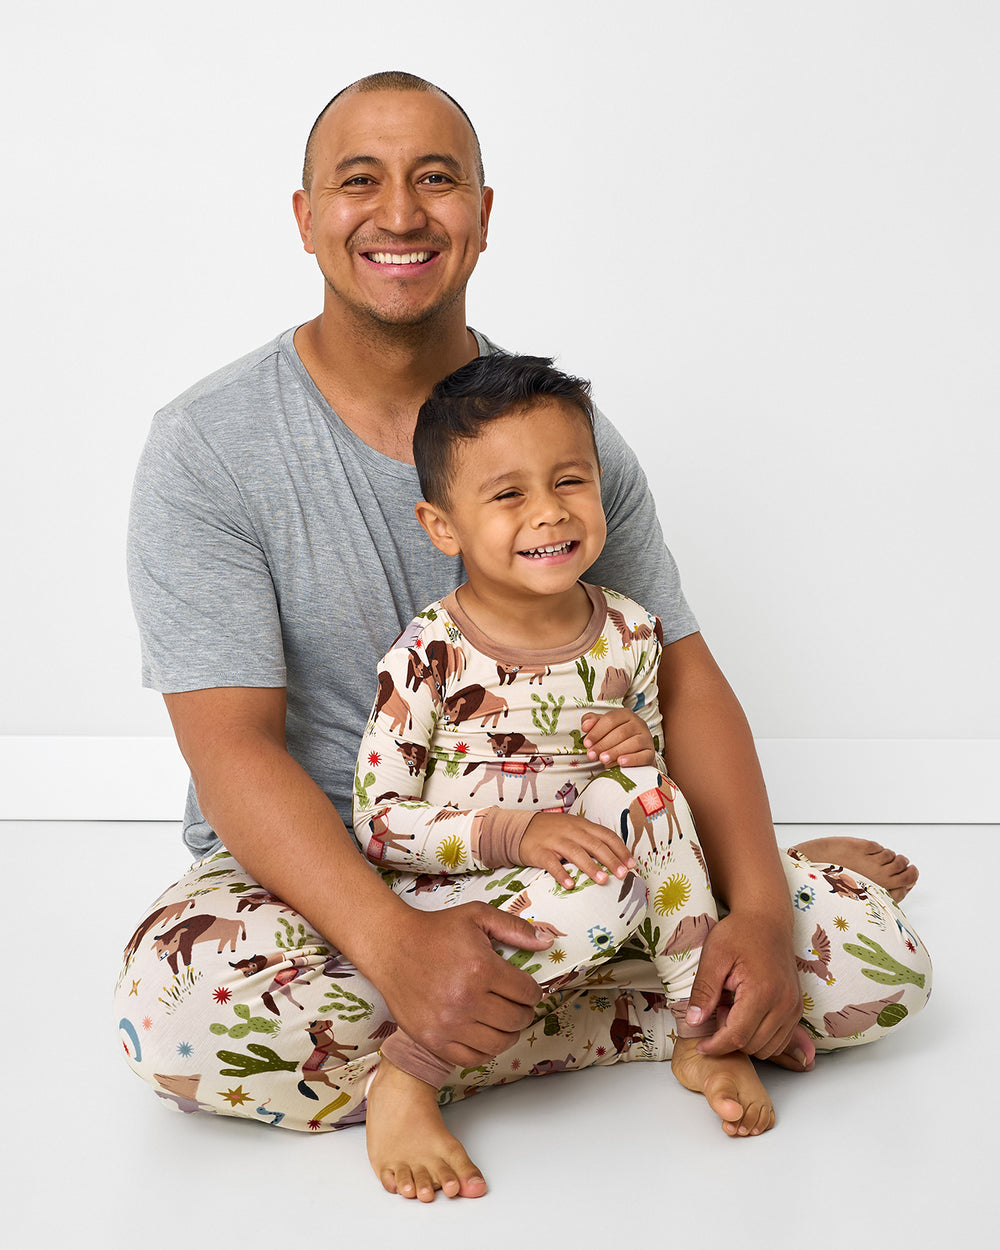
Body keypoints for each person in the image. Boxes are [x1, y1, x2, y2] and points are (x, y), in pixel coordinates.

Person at [116, 70, 929, 1201]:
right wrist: (396, 944)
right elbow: (230, 748)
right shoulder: (207, 446)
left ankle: (533, 1006)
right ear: (305, 218)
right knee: (182, 1016)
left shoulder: (562, 441)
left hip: (583, 852)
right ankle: (609, 1008)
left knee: (875, 964)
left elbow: (682, 676)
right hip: (330, 877)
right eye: (360, 182)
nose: (400, 214)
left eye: (435, 180)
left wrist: (751, 905)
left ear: (483, 215)